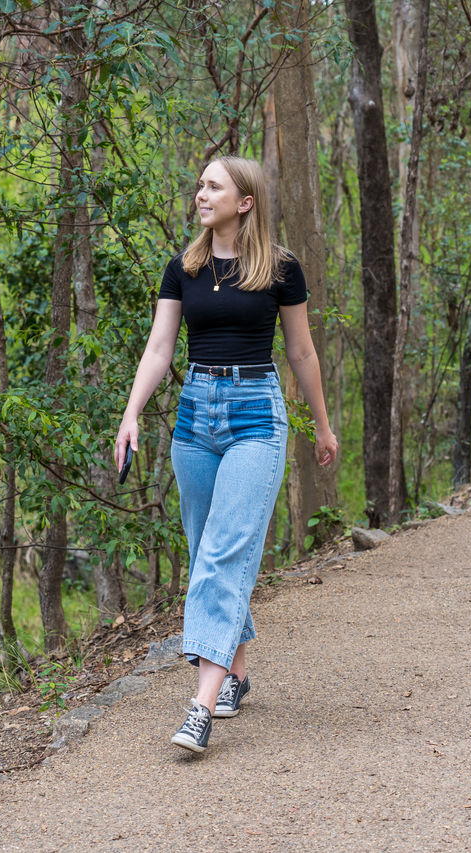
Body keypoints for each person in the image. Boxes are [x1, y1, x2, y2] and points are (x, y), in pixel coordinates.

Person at [113, 155, 339, 754]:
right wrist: (132, 414)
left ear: (245, 202)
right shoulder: (182, 269)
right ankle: (237, 674)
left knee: (223, 551)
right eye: (199, 184)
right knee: (205, 551)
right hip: (195, 415)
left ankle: (201, 706)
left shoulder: (281, 270)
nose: (200, 193)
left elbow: (301, 353)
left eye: (213, 186)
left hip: (255, 417)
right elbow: (161, 349)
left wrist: (321, 427)